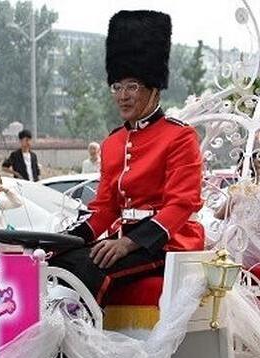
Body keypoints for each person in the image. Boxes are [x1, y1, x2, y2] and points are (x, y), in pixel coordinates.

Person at [48, 10, 204, 304]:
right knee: (58, 262)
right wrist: (67, 240)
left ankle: (80, 347)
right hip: (125, 241)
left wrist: (129, 243)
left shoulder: (180, 136)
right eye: (117, 87)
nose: (122, 95)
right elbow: (106, 207)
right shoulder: (113, 142)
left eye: (132, 86)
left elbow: (181, 204)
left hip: (169, 245)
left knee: (88, 267)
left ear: (154, 88)